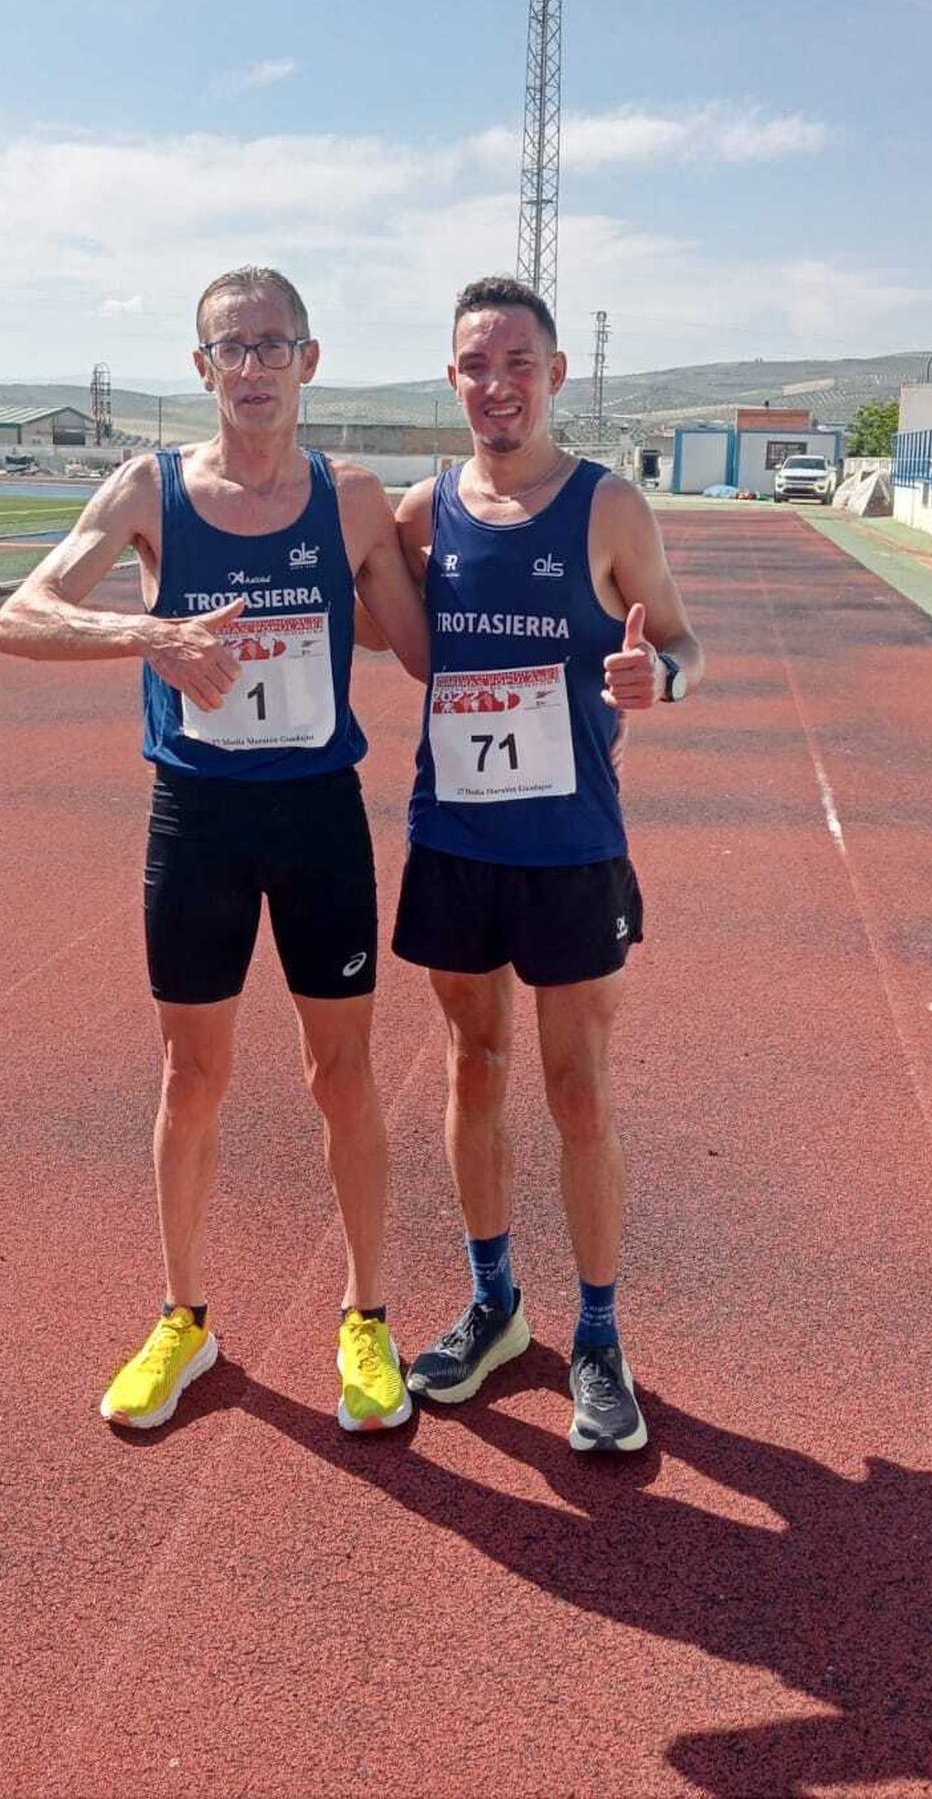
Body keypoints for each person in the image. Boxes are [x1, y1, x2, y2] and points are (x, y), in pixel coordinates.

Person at [0, 266, 429, 1434]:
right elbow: (18, 617)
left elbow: (423, 650)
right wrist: (150, 633)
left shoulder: (348, 500)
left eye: (271, 346)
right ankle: (185, 1319)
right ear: (200, 369)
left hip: (318, 816)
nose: (249, 368)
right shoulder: (148, 489)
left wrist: (467, 529)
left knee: (341, 1076)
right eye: (229, 349)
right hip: (197, 819)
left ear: (309, 360)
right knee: (192, 1078)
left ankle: (367, 1317)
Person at [390, 274, 702, 1452]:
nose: (495, 384)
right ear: (454, 378)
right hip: (456, 841)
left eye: (516, 362)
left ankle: (601, 1332)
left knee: (576, 1089)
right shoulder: (428, 511)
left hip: (572, 846)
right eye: (474, 365)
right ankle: (493, 1303)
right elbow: (363, 595)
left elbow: (680, 637)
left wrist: (658, 677)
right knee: (473, 1065)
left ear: (555, 374)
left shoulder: (608, 506)